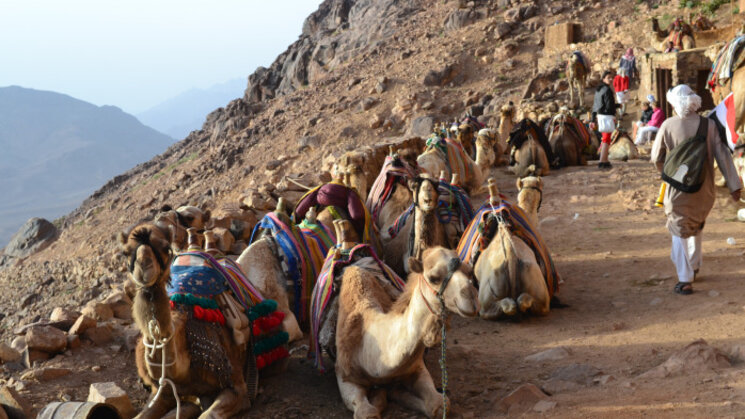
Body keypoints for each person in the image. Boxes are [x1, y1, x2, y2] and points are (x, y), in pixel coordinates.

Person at [651, 85, 742, 295]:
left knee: (678, 229)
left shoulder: (668, 125)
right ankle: (694, 264)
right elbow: (723, 155)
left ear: (675, 103)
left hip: (677, 189)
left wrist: (668, 173)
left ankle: (685, 279)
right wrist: (734, 185)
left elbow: (657, 158)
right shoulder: (709, 125)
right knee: (697, 224)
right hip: (705, 190)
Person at [592, 70, 621, 169]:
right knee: (606, 139)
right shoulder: (607, 90)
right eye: (608, 77)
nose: (611, 79)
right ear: (603, 78)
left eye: (611, 77)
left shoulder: (598, 89)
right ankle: (602, 161)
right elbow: (609, 106)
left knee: (605, 138)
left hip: (600, 116)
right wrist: (616, 107)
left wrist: (592, 118)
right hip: (607, 116)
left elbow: (596, 105)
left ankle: (604, 159)